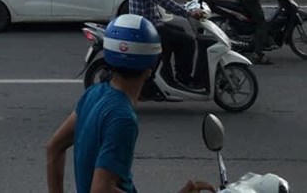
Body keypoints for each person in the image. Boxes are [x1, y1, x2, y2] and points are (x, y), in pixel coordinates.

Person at [46, 14, 214, 193]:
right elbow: (101, 190)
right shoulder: (123, 118)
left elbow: (54, 148)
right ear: (151, 67)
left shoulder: (93, 94)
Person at [129, 0, 204, 90]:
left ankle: (167, 73)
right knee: (188, 41)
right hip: (148, 26)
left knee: (179, 32)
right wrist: (188, 13)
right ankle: (183, 79)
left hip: (150, 22)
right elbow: (163, 2)